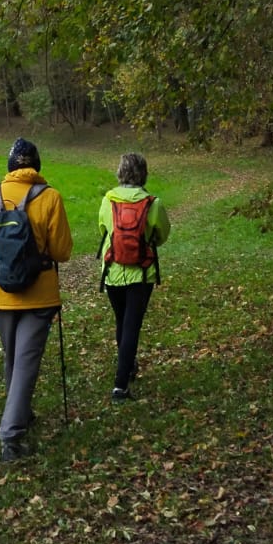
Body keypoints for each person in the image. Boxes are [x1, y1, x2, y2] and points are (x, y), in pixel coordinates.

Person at [0, 137, 72, 462]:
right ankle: (10, 437)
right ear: (37, 166)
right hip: (39, 294)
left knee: (14, 357)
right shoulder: (51, 197)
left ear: (10, 166)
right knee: (25, 362)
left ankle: (21, 414)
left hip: (1, 295)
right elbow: (62, 251)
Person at [97, 152, 171, 401]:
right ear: (143, 173)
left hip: (112, 272)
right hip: (141, 273)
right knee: (131, 326)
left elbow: (103, 228)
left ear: (120, 172)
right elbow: (161, 234)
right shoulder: (153, 202)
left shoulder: (108, 199)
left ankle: (127, 368)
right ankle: (120, 385)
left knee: (122, 322)